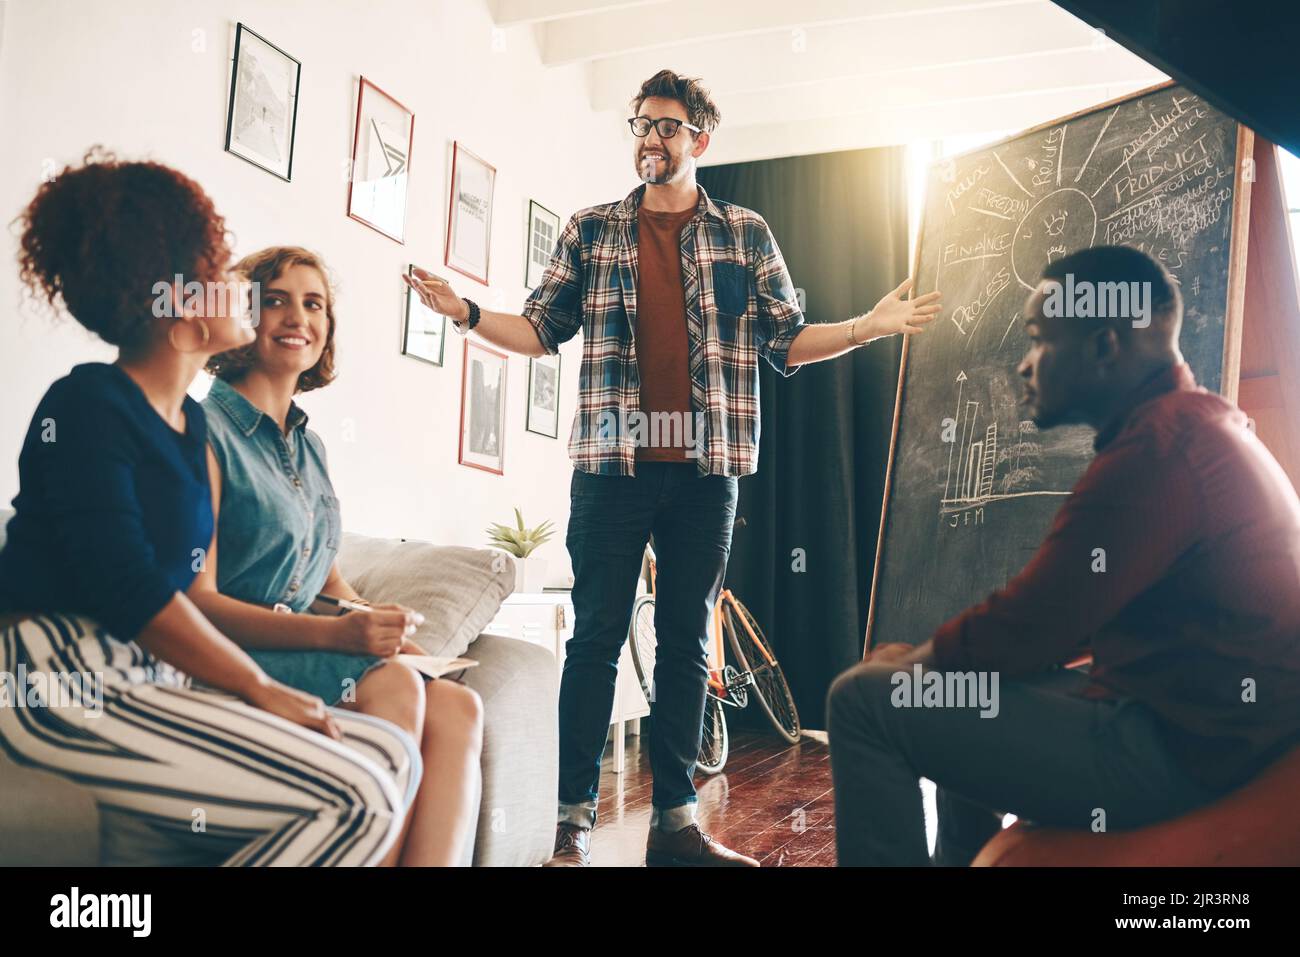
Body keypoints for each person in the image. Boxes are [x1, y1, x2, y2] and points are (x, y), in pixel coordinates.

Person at [407, 70, 941, 867]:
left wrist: (869, 325)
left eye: (665, 126)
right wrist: (467, 314)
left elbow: (786, 340)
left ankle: (677, 825)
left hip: (706, 471)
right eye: (640, 124)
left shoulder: (745, 232)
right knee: (592, 639)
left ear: (700, 139)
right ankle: (571, 825)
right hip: (612, 469)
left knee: (688, 640)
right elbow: (540, 328)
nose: (649, 138)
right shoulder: (591, 231)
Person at [0, 150, 415, 866]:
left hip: (146, 675)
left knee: (389, 750)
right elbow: (132, 589)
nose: (246, 294)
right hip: (57, 673)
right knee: (362, 795)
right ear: (181, 302)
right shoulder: (87, 404)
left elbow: (191, 592)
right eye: (228, 277)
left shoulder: (190, 435)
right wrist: (257, 686)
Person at [827, 245, 1300, 866]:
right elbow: (1049, 622)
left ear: (1104, 346)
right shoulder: (1198, 426)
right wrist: (934, 665)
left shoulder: (1157, 450)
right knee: (953, 684)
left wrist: (917, 661)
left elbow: (1029, 628)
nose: (1025, 367)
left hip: (1183, 753)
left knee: (863, 700)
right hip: (1207, 729)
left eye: (1038, 341)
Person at [191, 246, 483, 867]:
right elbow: (200, 605)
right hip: (228, 657)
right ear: (243, 315)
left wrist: (380, 624)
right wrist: (344, 639)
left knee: (459, 703)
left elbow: (326, 581)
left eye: (313, 303)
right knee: (396, 682)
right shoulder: (202, 431)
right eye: (275, 300)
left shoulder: (310, 445)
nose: (298, 316)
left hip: (305, 647)